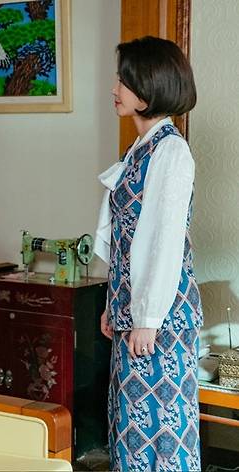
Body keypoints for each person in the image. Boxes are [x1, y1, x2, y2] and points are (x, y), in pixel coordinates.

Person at [94, 36, 203, 471]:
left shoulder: (171, 151)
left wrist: (147, 318)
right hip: (137, 312)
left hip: (161, 319)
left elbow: (164, 240)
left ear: (149, 86)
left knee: (160, 436)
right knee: (130, 429)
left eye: (123, 80)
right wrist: (114, 303)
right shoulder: (140, 148)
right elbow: (124, 237)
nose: (114, 88)